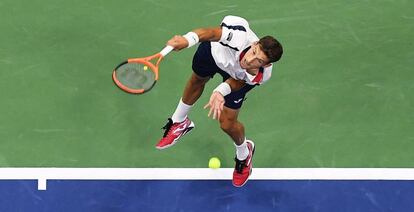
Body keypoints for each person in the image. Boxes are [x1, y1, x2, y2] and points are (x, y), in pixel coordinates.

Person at [156, 15, 283, 187]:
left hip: (235, 77)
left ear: (266, 65)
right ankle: (179, 122)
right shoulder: (238, 36)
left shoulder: (261, 74)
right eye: (254, 52)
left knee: (227, 124)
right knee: (197, 80)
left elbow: (238, 81)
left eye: (258, 61)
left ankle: (244, 155)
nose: (250, 60)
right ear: (254, 44)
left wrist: (220, 91)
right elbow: (209, 33)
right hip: (214, 54)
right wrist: (187, 40)